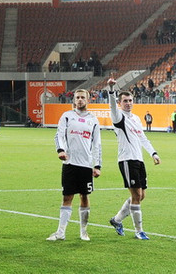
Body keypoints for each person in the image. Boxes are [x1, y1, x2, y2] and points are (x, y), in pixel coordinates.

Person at [107, 77, 161, 241]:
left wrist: (153, 153)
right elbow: (112, 107)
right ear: (120, 102)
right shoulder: (119, 118)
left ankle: (116, 220)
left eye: (130, 100)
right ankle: (139, 231)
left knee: (141, 196)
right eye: (125, 101)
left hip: (139, 160)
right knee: (136, 195)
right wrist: (111, 89)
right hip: (126, 160)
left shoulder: (136, 118)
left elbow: (143, 138)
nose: (128, 103)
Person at [47, 89, 102, 241]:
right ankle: (60, 232)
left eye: (82, 97)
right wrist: (61, 150)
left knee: (84, 196)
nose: (79, 100)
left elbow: (97, 143)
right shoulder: (67, 116)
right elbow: (59, 134)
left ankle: (83, 231)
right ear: (74, 100)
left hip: (86, 164)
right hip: (70, 163)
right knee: (67, 197)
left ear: (88, 100)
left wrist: (97, 165)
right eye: (77, 97)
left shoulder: (93, 120)